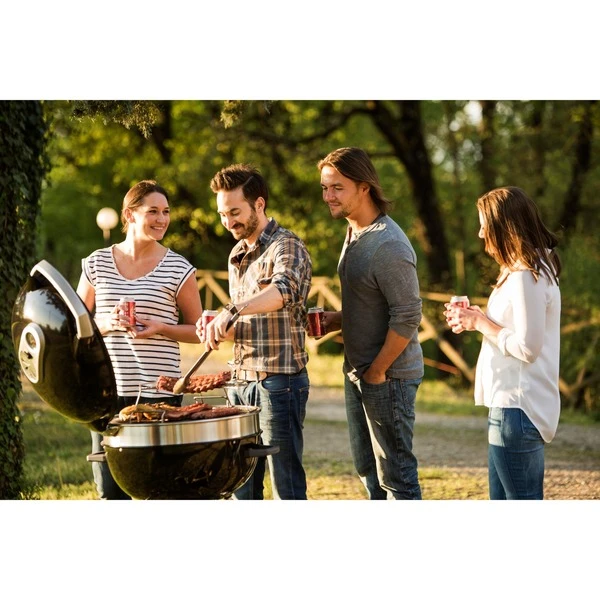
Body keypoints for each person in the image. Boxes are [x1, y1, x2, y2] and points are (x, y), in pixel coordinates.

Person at [76, 180, 203, 499]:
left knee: (158, 491)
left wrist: (161, 328)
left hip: (159, 394)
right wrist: (106, 323)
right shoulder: (96, 263)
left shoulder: (178, 268)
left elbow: (198, 330)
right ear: (129, 215)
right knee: (110, 491)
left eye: (166, 212)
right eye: (153, 211)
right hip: (107, 392)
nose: (162, 219)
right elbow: (75, 326)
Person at [199, 163, 312, 500]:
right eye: (222, 214)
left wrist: (231, 310)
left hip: (279, 382)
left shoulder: (286, 246)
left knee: (286, 485)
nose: (228, 222)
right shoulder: (237, 254)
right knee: (241, 486)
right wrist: (219, 326)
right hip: (240, 383)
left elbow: (283, 291)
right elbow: (250, 322)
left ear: (259, 204)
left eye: (235, 212)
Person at [317, 147, 424, 500]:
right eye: (325, 188)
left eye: (337, 187)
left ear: (365, 187)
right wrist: (337, 320)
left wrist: (377, 372)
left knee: (397, 479)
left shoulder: (388, 244)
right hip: (359, 371)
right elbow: (375, 303)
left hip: (388, 377)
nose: (328, 196)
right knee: (369, 472)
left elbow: (408, 315)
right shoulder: (354, 232)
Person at [444, 186, 561, 500]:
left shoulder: (526, 275)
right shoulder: (524, 270)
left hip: (517, 409)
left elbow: (528, 348)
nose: (480, 233)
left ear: (504, 227)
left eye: (485, 225)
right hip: (510, 407)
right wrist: (477, 317)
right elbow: (514, 330)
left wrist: (480, 323)